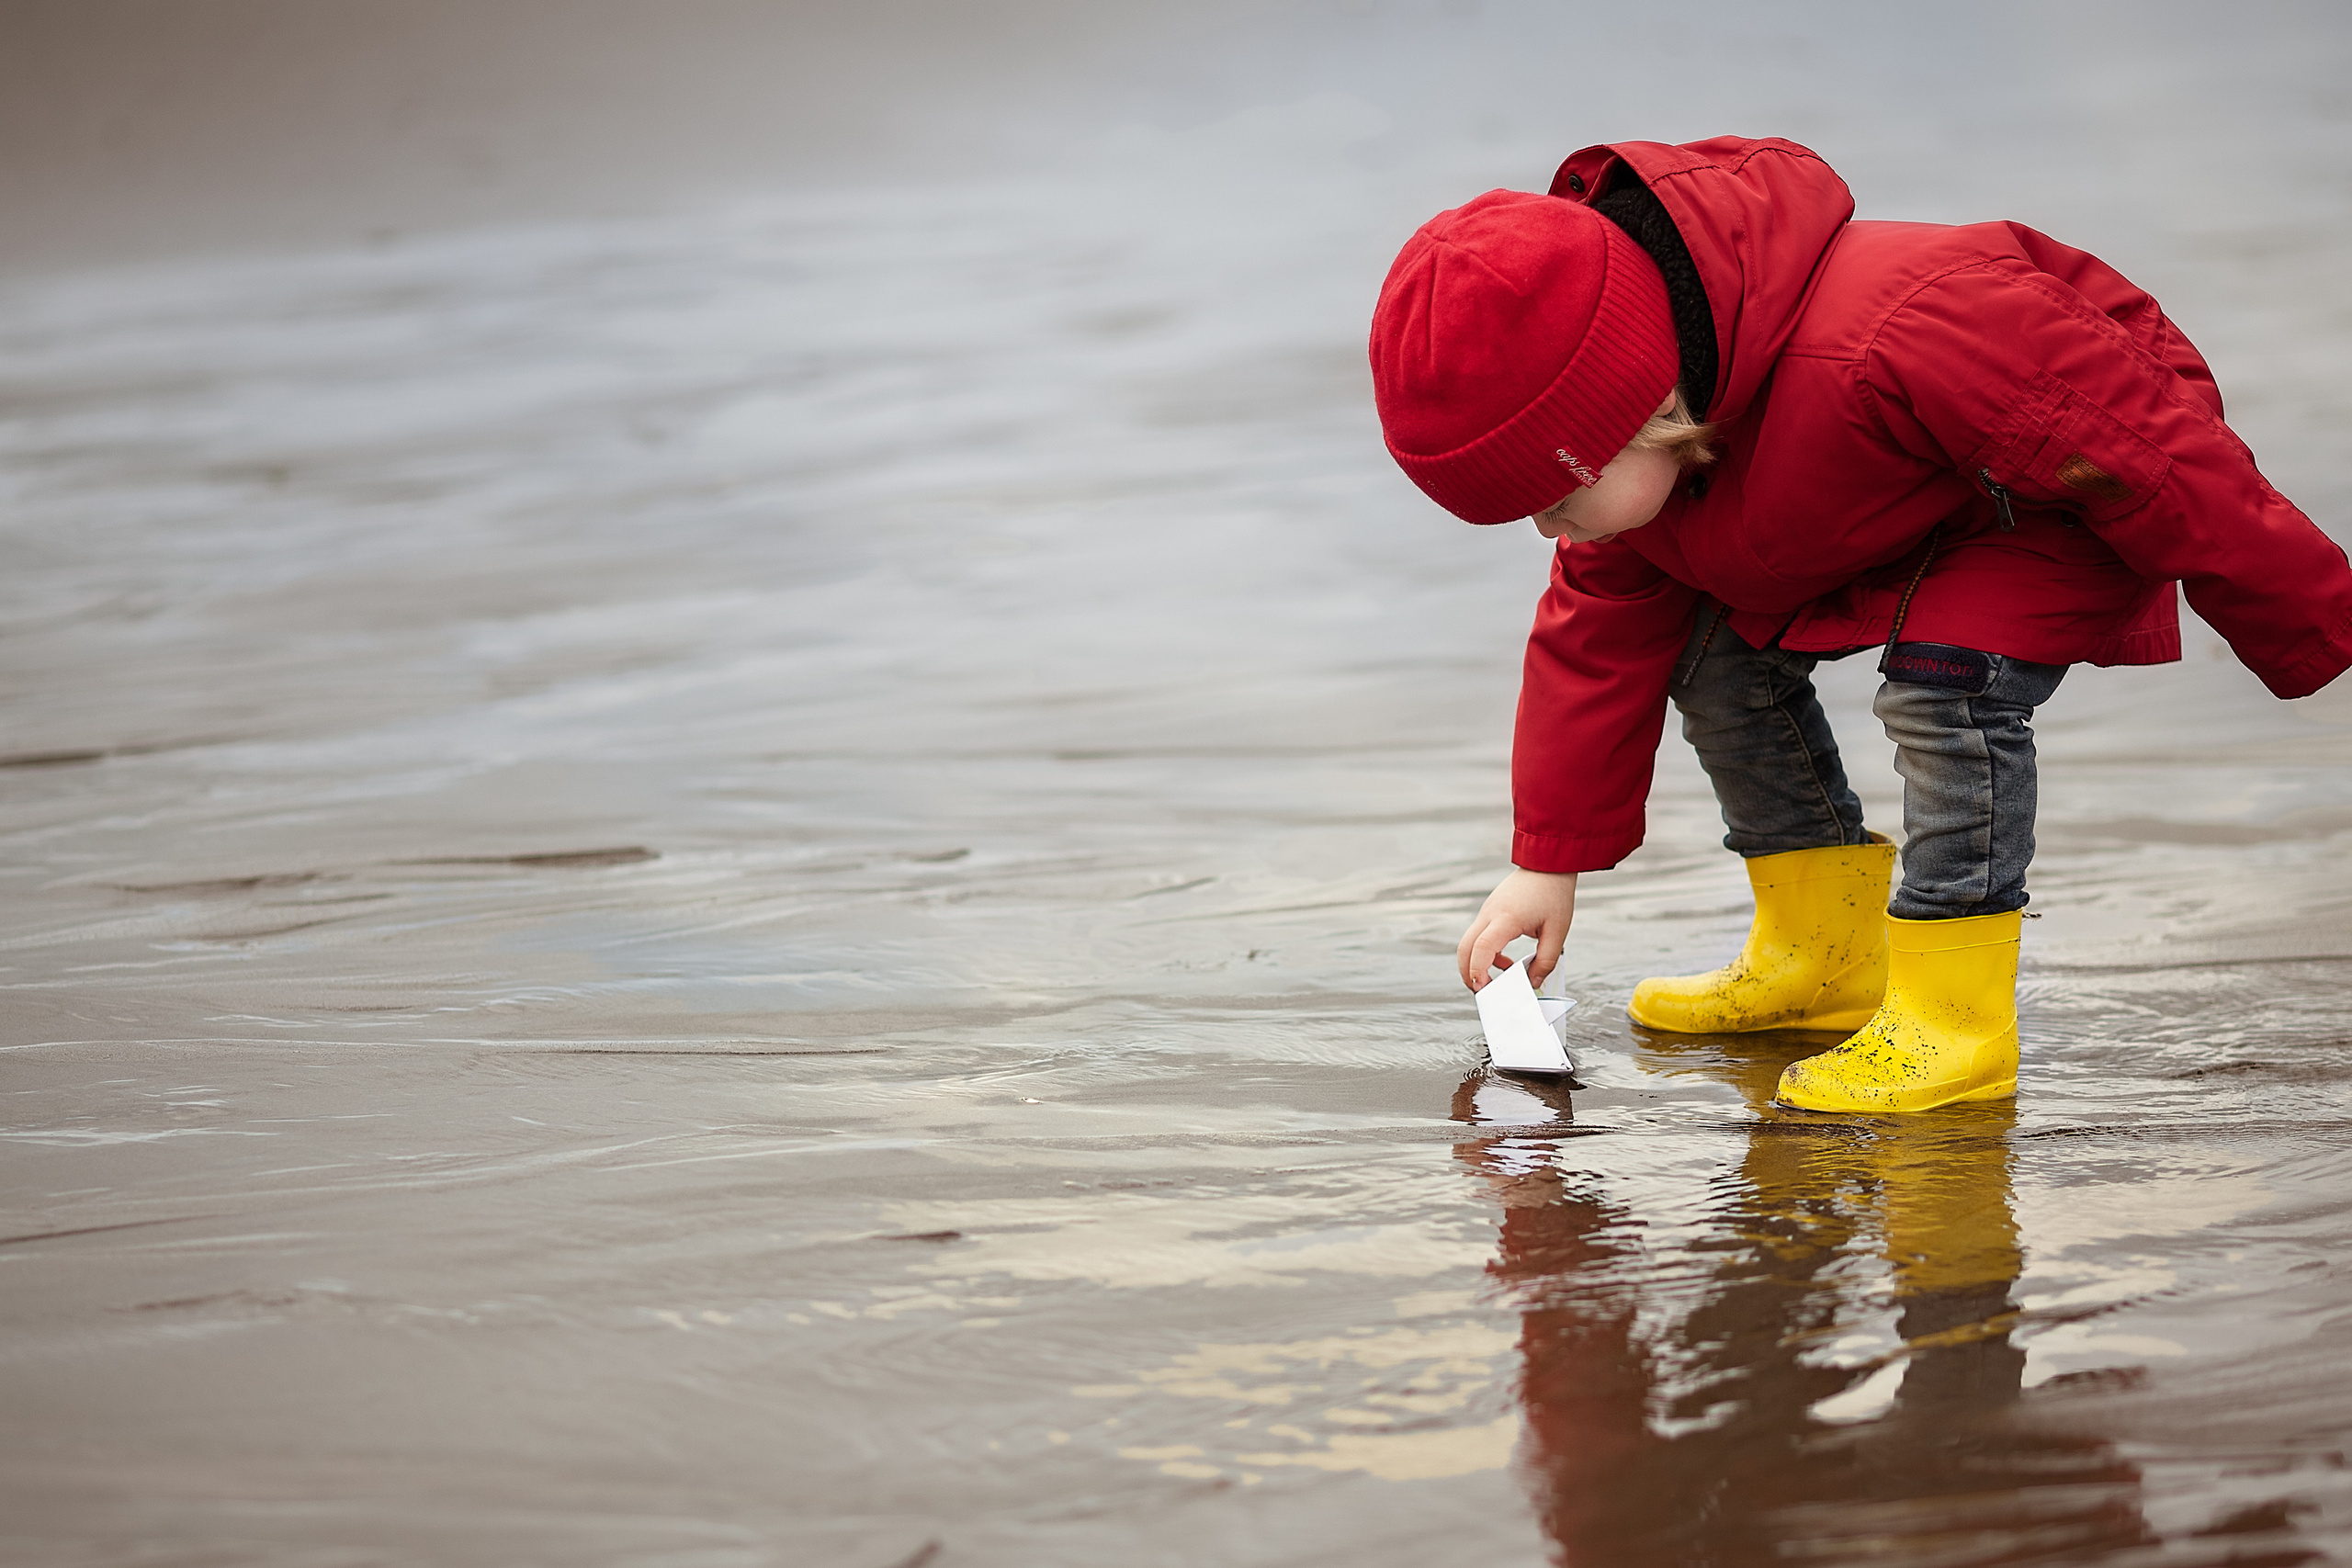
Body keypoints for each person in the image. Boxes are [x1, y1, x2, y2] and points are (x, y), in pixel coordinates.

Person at [1369, 136, 2352, 1112]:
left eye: (1551, 497)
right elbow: (1588, 648)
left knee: (1943, 689)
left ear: (1641, 407)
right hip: (1887, 503)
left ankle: (1952, 1014)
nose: (1547, 527)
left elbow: (2158, 456)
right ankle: (1824, 955)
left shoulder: (1910, 322)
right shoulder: (1643, 470)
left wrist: (2315, 626)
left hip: (2053, 492)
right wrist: (1545, 863)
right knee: (1711, 657)